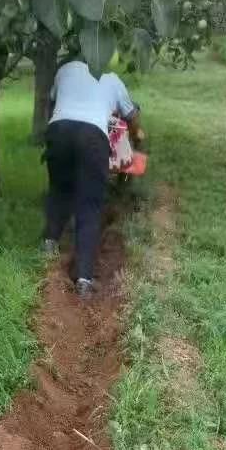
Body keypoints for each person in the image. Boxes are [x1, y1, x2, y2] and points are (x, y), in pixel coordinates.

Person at [42, 57, 144, 299]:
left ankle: (48, 245)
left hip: (57, 131)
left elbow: (53, 101)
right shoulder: (112, 80)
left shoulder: (64, 69)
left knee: (59, 190)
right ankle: (84, 279)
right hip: (92, 137)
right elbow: (130, 115)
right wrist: (136, 134)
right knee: (89, 205)